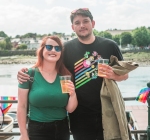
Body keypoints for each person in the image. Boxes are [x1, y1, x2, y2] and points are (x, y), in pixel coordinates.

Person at [17, 8, 128, 140]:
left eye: (85, 21)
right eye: (77, 23)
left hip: (107, 110)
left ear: (93, 23)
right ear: (72, 27)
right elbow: (50, 63)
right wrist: (25, 71)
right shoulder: (66, 48)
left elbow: (124, 75)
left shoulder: (110, 45)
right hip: (79, 115)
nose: (82, 25)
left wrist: (113, 75)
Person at [17, 35, 78, 140]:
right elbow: (21, 106)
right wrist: (23, 134)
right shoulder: (28, 74)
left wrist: (73, 94)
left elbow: (70, 109)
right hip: (37, 130)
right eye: (49, 47)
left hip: (62, 129)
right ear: (42, 50)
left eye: (57, 48)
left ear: (60, 53)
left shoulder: (65, 76)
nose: (53, 50)